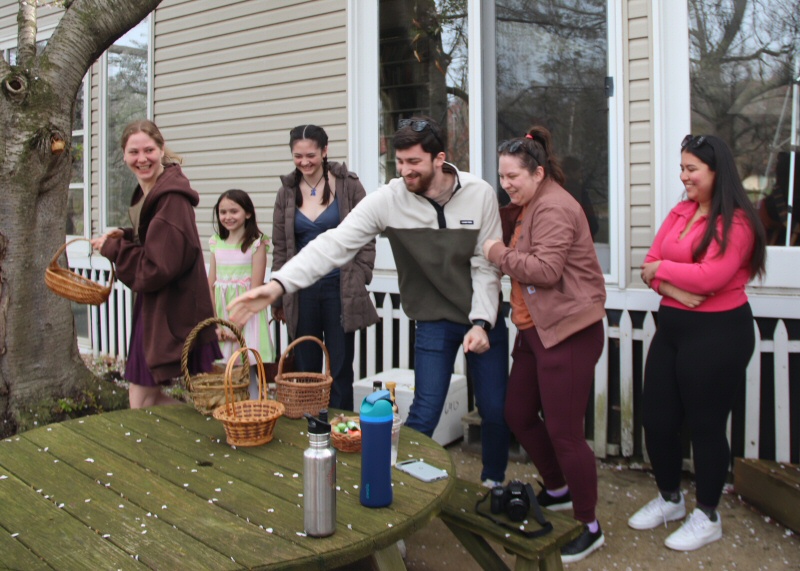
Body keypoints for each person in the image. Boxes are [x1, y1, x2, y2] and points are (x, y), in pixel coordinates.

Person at [230, 116, 510, 486]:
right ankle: (407, 485)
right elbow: (333, 243)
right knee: (425, 410)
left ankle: (492, 482)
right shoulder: (389, 200)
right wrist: (279, 284)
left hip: (483, 317)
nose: (405, 171)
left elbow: (486, 267)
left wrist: (482, 322)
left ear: (439, 159)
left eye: (415, 163)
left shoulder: (480, 194)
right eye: (400, 162)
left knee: (494, 409)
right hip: (433, 318)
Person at [631, 135, 766, 551]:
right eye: (682, 167)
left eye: (692, 169)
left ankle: (707, 515)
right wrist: (669, 285)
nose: (683, 176)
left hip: (719, 333)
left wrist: (661, 273)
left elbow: (711, 277)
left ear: (716, 172)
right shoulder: (682, 210)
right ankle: (671, 499)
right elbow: (645, 266)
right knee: (657, 418)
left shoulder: (738, 221)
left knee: (706, 426)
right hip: (672, 327)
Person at [482, 126, 607, 563]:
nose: (507, 184)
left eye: (513, 176)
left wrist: (496, 252)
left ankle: (589, 526)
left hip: (568, 331)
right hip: (536, 330)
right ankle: (558, 487)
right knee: (516, 412)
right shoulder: (531, 202)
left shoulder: (554, 206)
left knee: (565, 433)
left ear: (537, 172)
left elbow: (547, 270)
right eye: (502, 176)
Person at [91, 120, 221, 408]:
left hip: (173, 308)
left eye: (149, 149)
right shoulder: (149, 191)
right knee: (145, 397)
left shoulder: (171, 198)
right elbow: (157, 239)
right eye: (133, 152)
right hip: (155, 308)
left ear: (162, 150)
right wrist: (125, 236)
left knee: (143, 399)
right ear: (123, 156)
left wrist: (116, 249)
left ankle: (193, 436)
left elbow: (158, 266)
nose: (142, 159)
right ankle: (194, 435)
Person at [270, 125, 379, 411]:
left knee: (340, 365)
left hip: (340, 289)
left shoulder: (349, 186)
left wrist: (361, 274)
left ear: (325, 151)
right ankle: (310, 425)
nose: (304, 162)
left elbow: (368, 235)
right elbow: (281, 247)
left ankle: (341, 426)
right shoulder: (286, 192)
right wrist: (278, 295)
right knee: (305, 366)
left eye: (311, 155)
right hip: (301, 290)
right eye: (297, 156)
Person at [208, 189, 275, 398]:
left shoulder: (257, 243)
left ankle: (254, 409)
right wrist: (216, 323)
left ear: (247, 213)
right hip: (222, 314)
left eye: (233, 211)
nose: (227, 217)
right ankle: (230, 412)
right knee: (228, 369)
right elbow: (211, 284)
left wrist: (237, 324)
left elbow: (255, 288)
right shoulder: (215, 243)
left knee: (248, 367)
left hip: (247, 315)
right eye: (223, 212)